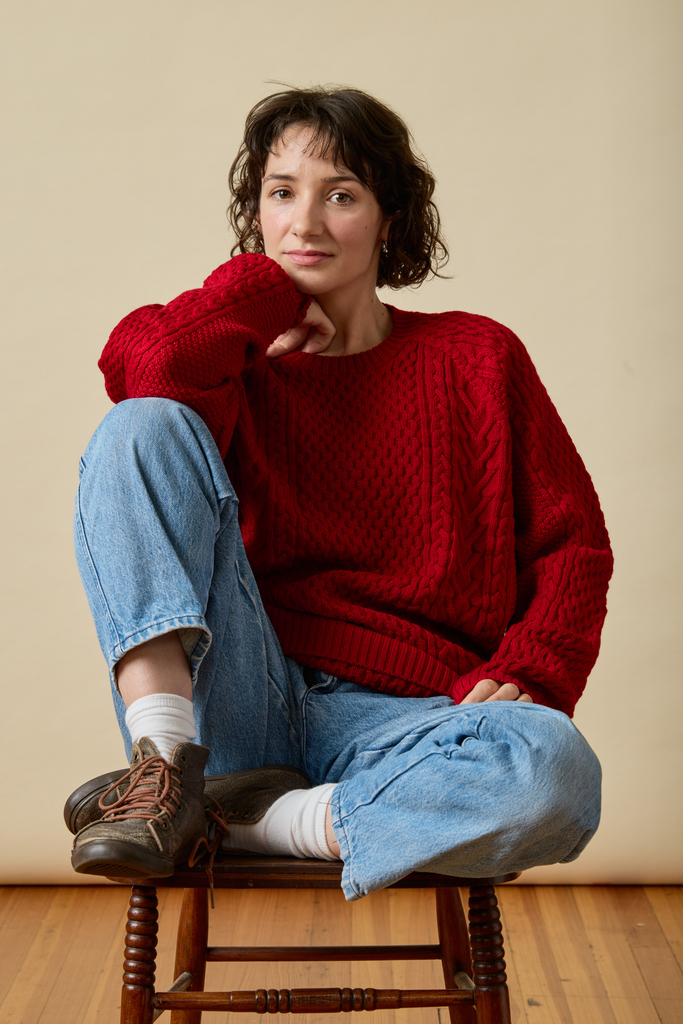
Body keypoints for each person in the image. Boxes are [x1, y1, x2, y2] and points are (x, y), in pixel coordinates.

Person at [65, 86, 612, 900]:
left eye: (341, 196)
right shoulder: (228, 358)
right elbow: (144, 375)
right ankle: (166, 767)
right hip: (236, 698)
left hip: (407, 722)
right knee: (142, 425)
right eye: (282, 193)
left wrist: (535, 665)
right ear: (257, 210)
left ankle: (239, 823)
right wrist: (258, 300)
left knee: (554, 769)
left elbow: (573, 546)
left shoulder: (477, 357)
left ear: (389, 218)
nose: (306, 222)